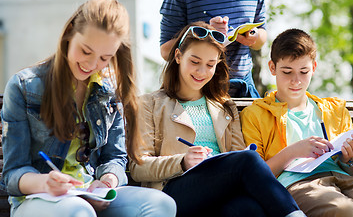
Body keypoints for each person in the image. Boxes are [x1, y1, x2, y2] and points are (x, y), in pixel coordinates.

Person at [0, 0, 176, 217]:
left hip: (89, 196)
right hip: (36, 200)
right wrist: (46, 183)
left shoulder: (108, 92)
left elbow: (114, 158)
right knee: (78, 211)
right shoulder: (24, 87)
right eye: (86, 51)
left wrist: (107, 182)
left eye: (105, 58)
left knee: (162, 204)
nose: (92, 64)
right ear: (70, 32)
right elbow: (13, 172)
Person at [129, 21, 305, 217]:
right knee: (248, 160)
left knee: (249, 209)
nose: (202, 72)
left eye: (210, 65)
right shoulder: (148, 104)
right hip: (174, 192)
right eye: (195, 62)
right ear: (178, 56)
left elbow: (238, 155)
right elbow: (138, 167)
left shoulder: (224, 106)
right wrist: (182, 161)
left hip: (220, 191)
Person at [240, 28, 353, 216]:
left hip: (343, 178)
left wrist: (350, 159)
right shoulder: (256, 115)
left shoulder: (333, 110)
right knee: (344, 210)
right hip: (299, 184)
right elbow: (253, 175)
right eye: (287, 72)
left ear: (313, 68)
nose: (296, 81)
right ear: (272, 68)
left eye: (303, 72)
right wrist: (293, 152)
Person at [159, 0, 267, 98]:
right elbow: (165, 51)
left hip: (242, 91)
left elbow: (261, 38)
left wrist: (254, 36)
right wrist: (206, 32)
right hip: (197, 92)